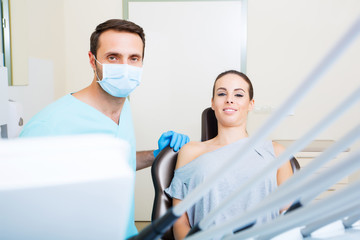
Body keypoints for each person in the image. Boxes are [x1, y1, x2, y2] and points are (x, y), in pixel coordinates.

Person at [19, 19, 189, 238]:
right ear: (92, 60)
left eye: (133, 58)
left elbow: (112, 162)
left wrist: (155, 155)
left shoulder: (124, 106)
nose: (125, 67)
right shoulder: (49, 127)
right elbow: (23, 213)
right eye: (113, 57)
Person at [165, 70, 293, 240]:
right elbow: (180, 222)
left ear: (251, 104)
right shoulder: (191, 151)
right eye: (221, 93)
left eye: (239, 94)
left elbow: (289, 216)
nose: (229, 99)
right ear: (212, 103)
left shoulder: (275, 152)